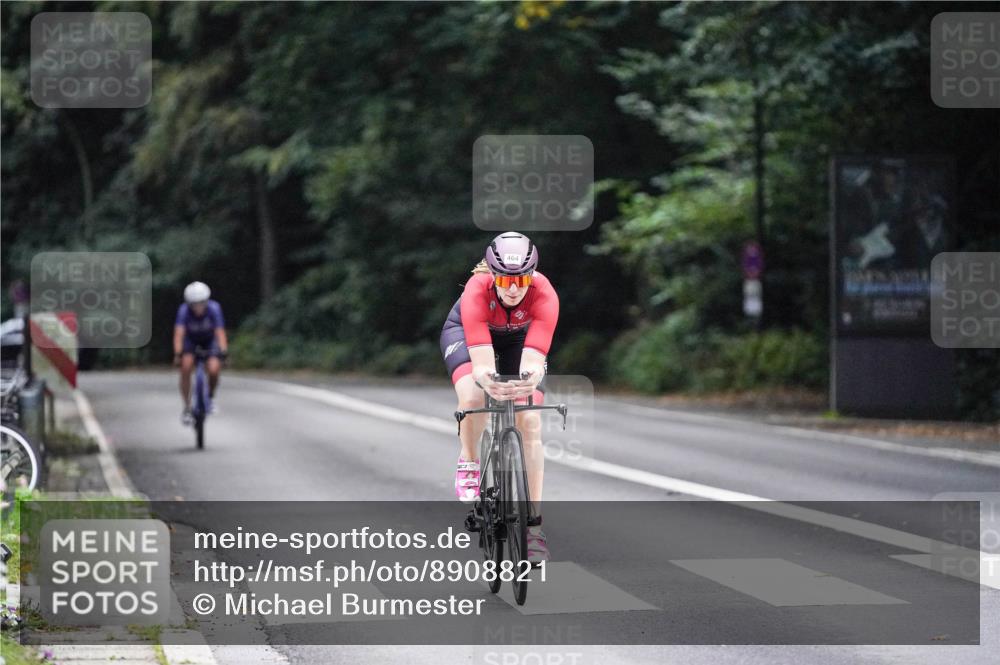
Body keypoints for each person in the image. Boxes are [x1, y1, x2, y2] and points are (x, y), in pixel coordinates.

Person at [439, 232, 559, 564]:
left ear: (531, 274)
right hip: (468, 336)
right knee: (475, 397)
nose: (513, 287)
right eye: (504, 278)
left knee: (530, 419)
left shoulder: (545, 293)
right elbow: (481, 367)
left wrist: (526, 382)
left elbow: (534, 364)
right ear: (492, 273)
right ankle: (469, 460)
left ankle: (533, 528)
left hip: (518, 340)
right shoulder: (477, 291)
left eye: (521, 278)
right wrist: (490, 383)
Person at [173, 282, 228, 425]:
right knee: (185, 367)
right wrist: (178, 353)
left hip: (210, 340)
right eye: (194, 304)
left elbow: (219, 332)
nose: (198, 307)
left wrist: (223, 351)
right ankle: (187, 407)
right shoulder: (184, 311)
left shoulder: (214, 309)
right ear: (189, 303)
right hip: (191, 341)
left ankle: (209, 397)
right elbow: (179, 333)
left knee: (214, 369)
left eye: (201, 303)